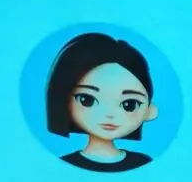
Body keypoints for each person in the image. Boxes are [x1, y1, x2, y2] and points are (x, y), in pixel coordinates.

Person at [45, 32, 159, 173]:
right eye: (87, 100)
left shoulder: (143, 163)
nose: (109, 114)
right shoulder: (64, 165)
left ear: (149, 111)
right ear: (64, 102)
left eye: (129, 105)